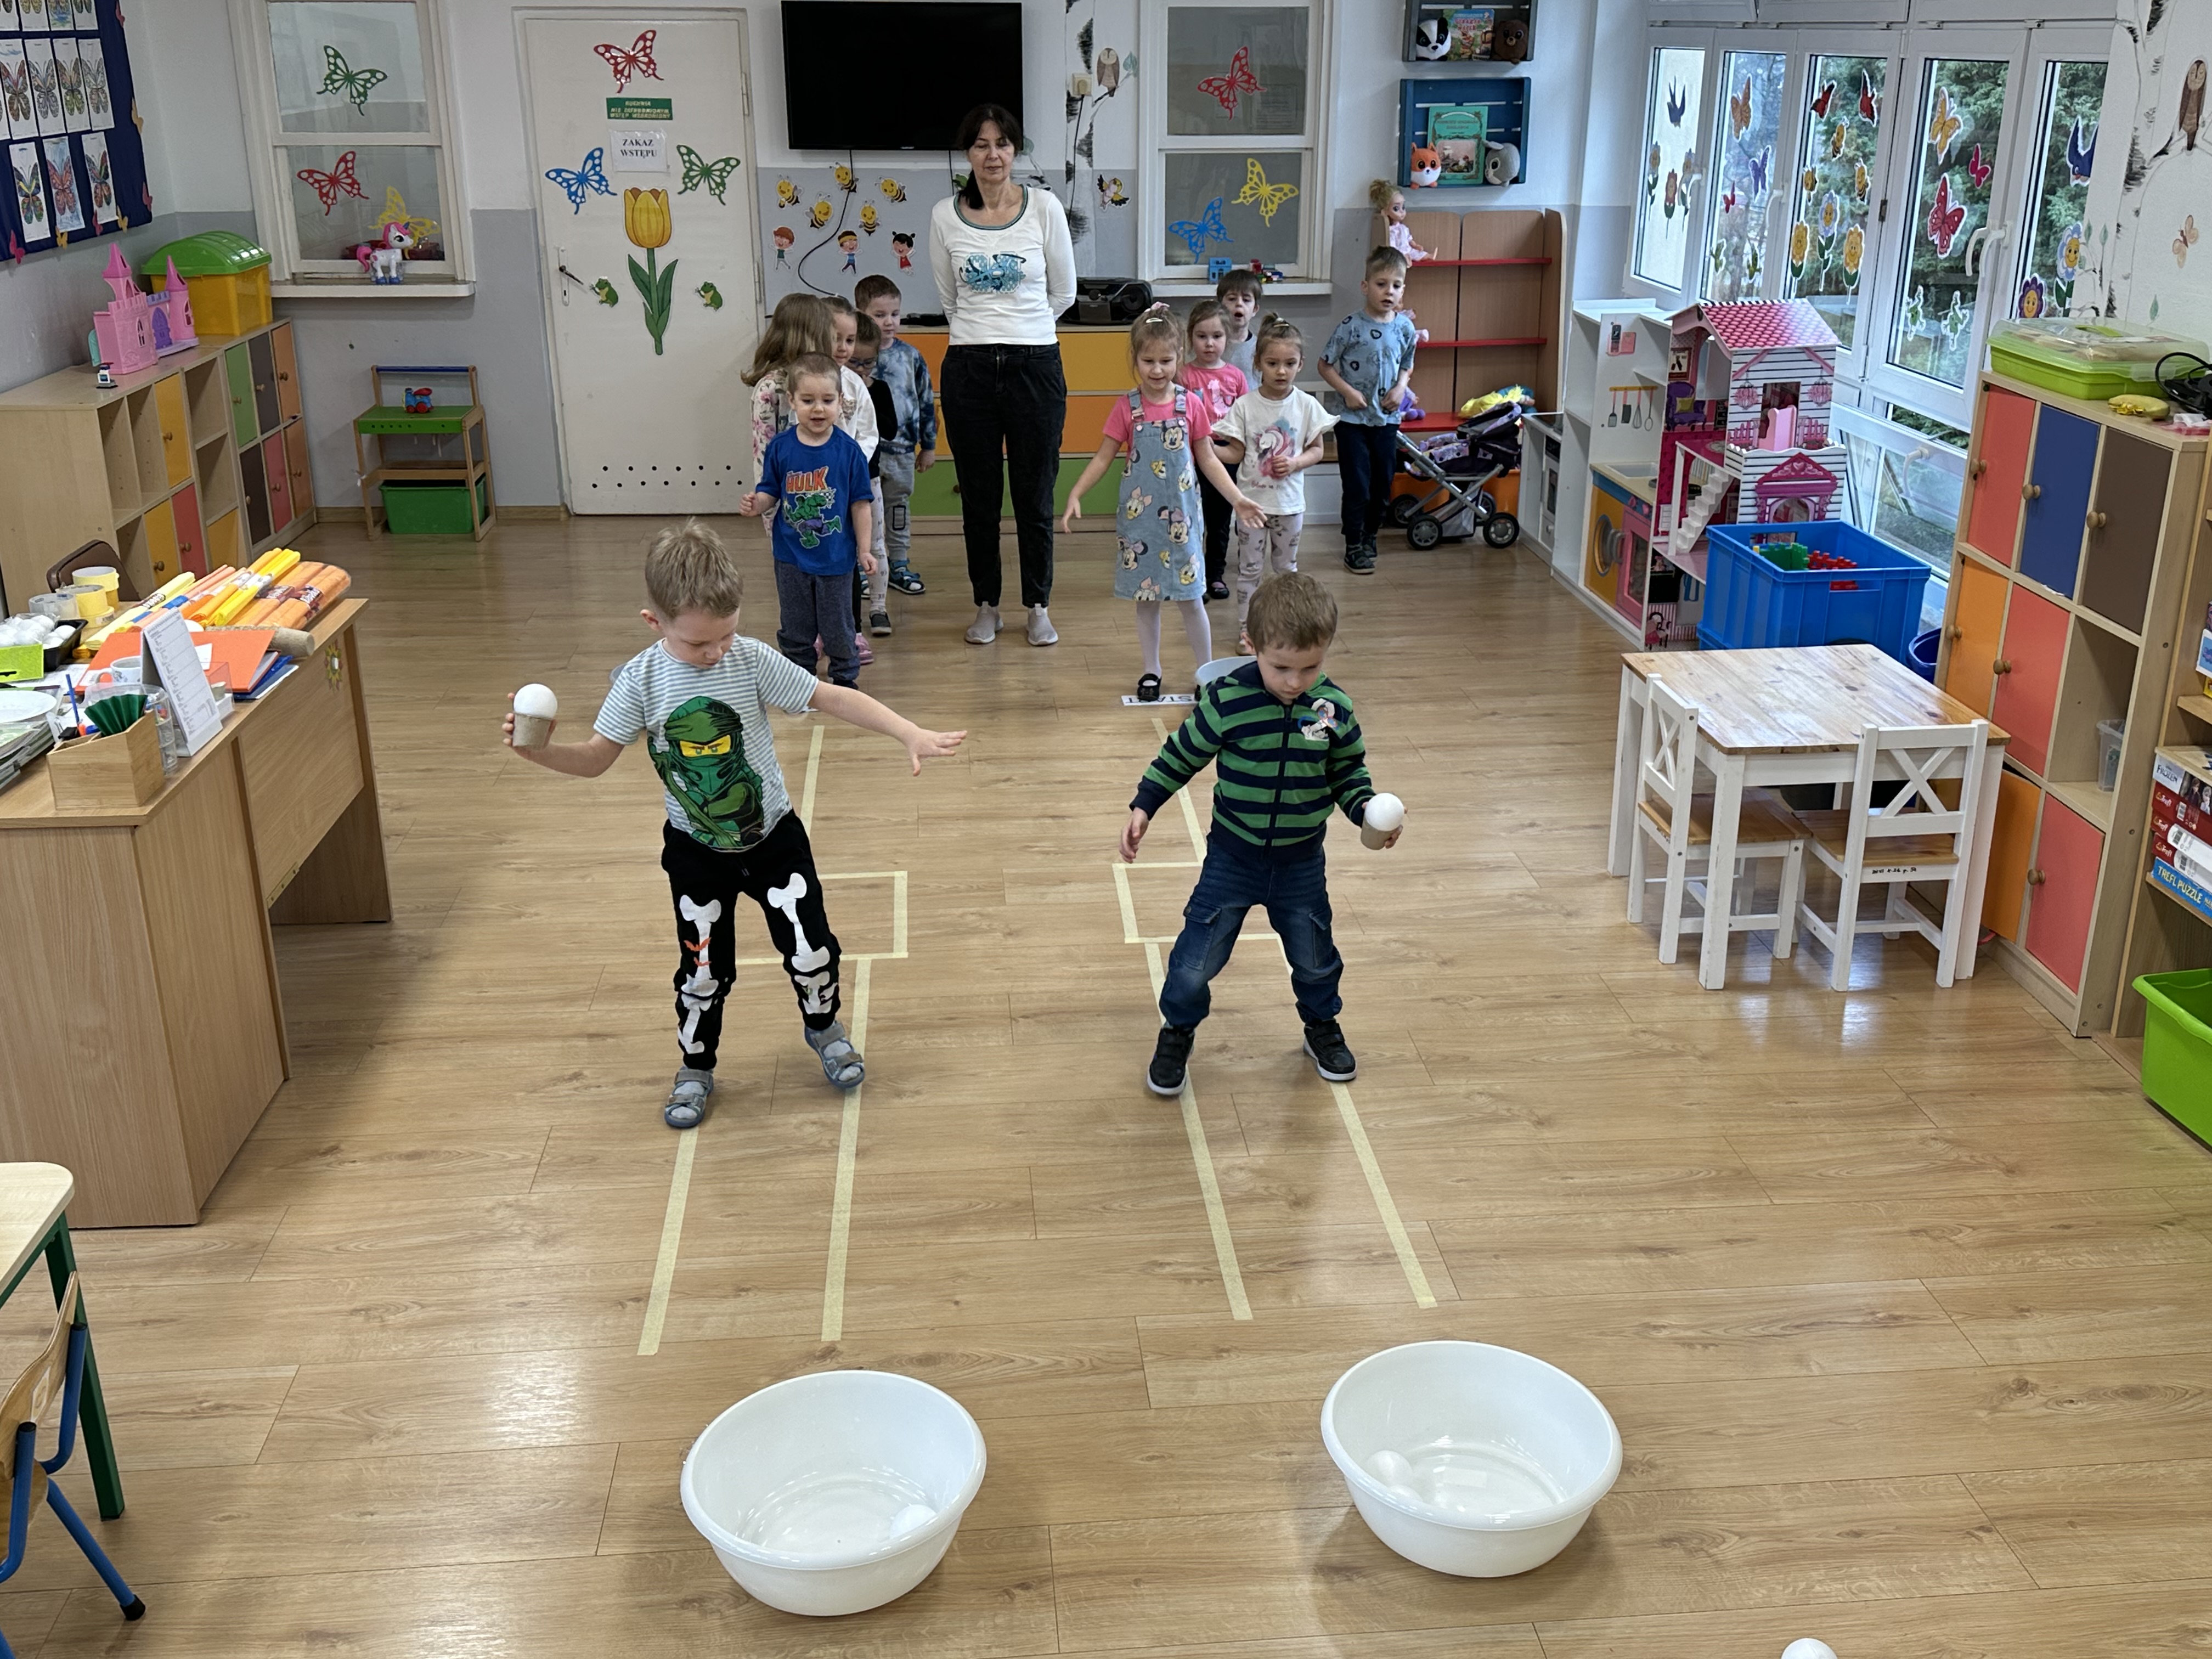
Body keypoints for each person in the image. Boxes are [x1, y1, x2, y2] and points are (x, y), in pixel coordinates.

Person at [501, 518, 965, 1129]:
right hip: (696, 855)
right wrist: (538, 753)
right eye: (700, 643)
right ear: (654, 622)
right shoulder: (639, 682)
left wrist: (907, 731)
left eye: (727, 633)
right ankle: (696, 1067)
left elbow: (829, 696)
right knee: (702, 974)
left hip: (774, 839)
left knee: (811, 951)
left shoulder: (749, 659)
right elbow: (593, 760)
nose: (717, 651)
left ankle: (824, 1029)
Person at [1122, 573, 1396, 1096]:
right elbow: (1181, 754)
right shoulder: (1227, 701)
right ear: (1251, 645)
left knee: (1315, 958)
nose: (1295, 682)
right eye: (1281, 668)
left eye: (1310, 667)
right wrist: (1145, 804)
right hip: (1232, 860)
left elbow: (1348, 772)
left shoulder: (1333, 707)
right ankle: (1177, 1030)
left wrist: (1366, 810)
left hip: (1301, 865)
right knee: (1194, 962)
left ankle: (1321, 1026)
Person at [928, 103, 1076, 648]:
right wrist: (985, 332)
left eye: (1003, 144)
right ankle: (986, 605)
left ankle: (1038, 605)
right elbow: (949, 299)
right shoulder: (945, 215)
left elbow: (1064, 292)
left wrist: (1023, 329)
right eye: (981, 145)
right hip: (968, 368)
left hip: (1035, 365)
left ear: (1016, 151)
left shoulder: (1045, 208)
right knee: (980, 498)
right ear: (967, 153)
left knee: (1035, 495)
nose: (993, 155)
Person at [1060, 306, 1262, 702]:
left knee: (1191, 600)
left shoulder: (1192, 404)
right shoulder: (1127, 407)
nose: (1157, 370)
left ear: (1179, 357)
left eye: (1166, 361)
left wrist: (1238, 499)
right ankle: (1151, 670)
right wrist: (1075, 493)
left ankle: (1206, 672)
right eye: (1148, 361)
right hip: (1142, 525)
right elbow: (1103, 457)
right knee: (1147, 601)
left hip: (1184, 521)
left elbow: (1208, 459)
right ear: (1135, 359)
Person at [737, 354, 873, 688]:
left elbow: (861, 505)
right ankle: (800, 679)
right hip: (791, 557)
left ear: (840, 401)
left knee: (838, 624)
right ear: (792, 401)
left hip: (836, 559)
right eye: (808, 400)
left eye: (827, 400)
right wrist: (758, 504)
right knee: (796, 624)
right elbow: (771, 491)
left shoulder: (850, 452)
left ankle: (845, 680)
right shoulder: (781, 447)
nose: (818, 409)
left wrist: (865, 550)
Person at [1211, 316, 1334, 643]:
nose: (1281, 371)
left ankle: (1288, 629)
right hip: (1252, 507)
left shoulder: (1307, 406)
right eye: (1273, 363)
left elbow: (1317, 450)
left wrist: (1295, 463)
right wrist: (1206, 448)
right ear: (1258, 363)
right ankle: (1247, 631)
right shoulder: (1245, 406)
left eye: (1290, 364)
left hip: (1289, 507)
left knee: (1286, 571)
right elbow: (1235, 453)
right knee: (1249, 571)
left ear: (1301, 364)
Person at [1318, 246, 1418, 575]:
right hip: (1352, 421)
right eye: (1381, 284)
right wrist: (1348, 392)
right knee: (1358, 485)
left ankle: (1370, 534)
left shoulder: (1405, 328)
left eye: (1396, 286)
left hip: (1386, 420)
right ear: (1366, 286)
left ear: (1403, 290)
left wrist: (1401, 388)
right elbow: (1325, 364)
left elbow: (1407, 364)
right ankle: (1354, 544)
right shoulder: (1350, 326)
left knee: (1382, 483)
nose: (1389, 292)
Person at [855, 272, 933, 598]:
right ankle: (864, 567)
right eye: (880, 315)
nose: (889, 322)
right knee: (863, 509)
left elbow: (926, 400)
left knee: (898, 508)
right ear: (861, 315)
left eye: (895, 314)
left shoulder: (911, 356)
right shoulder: (855, 357)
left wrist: (928, 445)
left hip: (902, 450)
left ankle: (899, 564)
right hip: (864, 454)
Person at [822, 296, 882, 667]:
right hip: (814, 487)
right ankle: (817, 632)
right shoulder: (804, 377)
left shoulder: (854, 384)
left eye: (850, 340)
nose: (844, 348)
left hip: (849, 485)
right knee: (816, 560)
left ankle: (852, 630)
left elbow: (869, 433)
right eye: (837, 339)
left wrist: (850, 463)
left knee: (849, 559)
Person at [1180, 299, 1248, 605]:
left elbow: (1245, 418)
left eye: (1217, 336)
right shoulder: (1183, 376)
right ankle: (1193, 576)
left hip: (1226, 455)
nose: (1209, 343)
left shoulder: (1236, 376)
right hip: (1191, 456)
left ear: (1228, 337)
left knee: (1220, 521)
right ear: (1191, 337)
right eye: (1202, 336)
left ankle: (1215, 575)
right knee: (1193, 520)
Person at [849, 313, 898, 641]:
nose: (861, 369)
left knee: (876, 545)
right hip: (836, 483)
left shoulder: (878, 389)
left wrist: (867, 397)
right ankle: (850, 618)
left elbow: (890, 430)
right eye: (855, 362)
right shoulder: (832, 388)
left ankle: (878, 607)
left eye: (868, 363)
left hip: (869, 480)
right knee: (845, 551)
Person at [1216, 267, 1264, 382]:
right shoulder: (1212, 344)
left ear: (1255, 309)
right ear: (1220, 306)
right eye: (1232, 299)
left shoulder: (1260, 347)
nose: (1239, 304)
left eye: (1246, 300)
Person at [1369, 179, 1433, 263]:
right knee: (1401, 257)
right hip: (1398, 253)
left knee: (1416, 253)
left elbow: (1409, 239)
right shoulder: (1390, 231)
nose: (1402, 212)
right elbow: (1392, 248)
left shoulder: (1403, 228)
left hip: (1408, 249)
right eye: (1396, 209)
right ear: (1385, 212)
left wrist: (1415, 245)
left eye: (1403, 207)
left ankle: (1427, 256)